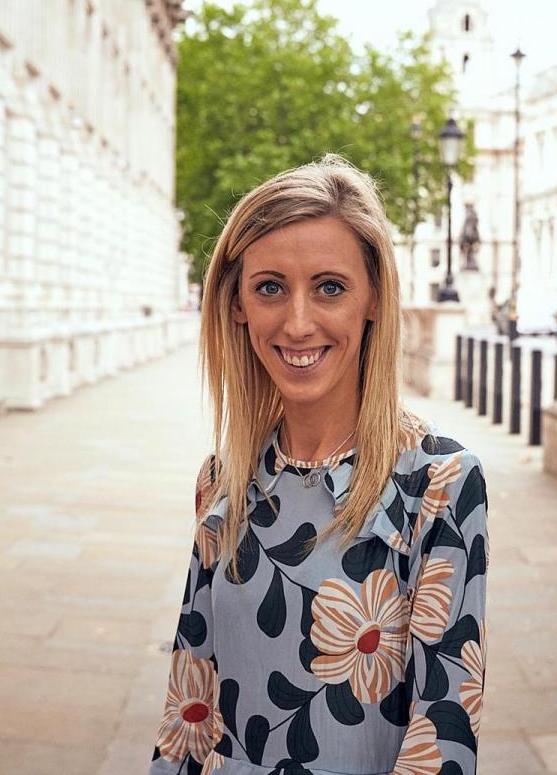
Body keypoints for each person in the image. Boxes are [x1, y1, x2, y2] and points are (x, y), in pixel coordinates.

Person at [149, 155, 489, 775]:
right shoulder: (223, 480)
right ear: (236, 303)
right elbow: (188, 708)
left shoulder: (439, 483)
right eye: (270, 288)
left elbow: (442, 738)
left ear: (374, 299)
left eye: (330, 287)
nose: (298, 323)